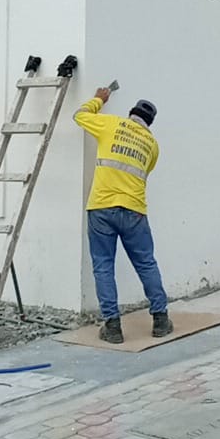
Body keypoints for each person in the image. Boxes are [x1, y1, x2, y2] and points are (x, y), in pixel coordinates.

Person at [73, 89, 173, 343]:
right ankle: (161, 320)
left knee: (103, 266)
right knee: (146, 263)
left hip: (101, 208)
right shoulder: (152, 146)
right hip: (134, 211)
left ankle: (113, 327)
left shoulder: (111, 124)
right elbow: (145, 171)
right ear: (149, 124)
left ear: (131, 115)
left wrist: (99, 99)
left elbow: (79, 115)